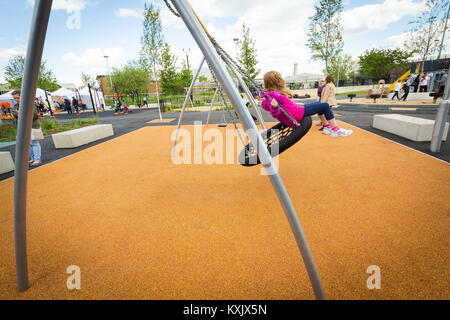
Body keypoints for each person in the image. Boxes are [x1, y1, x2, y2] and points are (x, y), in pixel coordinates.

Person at [261, 71, 352, 138]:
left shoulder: (270, 95)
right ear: (277, 81)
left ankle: (327, 127)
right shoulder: (275, 96)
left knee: (320, 105)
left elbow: (265, 106)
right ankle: (336, 130)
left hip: (298, 110)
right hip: (297, 114)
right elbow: (275, 113)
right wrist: (274, 108)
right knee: (325, 106)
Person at [11, 90, 43, 166]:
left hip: (32, 126)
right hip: (21, 127)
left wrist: (19, 114)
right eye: (14, 98)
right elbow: (15, 116)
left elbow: (35, 116)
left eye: (18, 98)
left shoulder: (30, 104)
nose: (16, 100)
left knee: (34, 143)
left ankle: (37, 159)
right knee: (28, 144)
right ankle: (33, 158)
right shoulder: (16, 106)